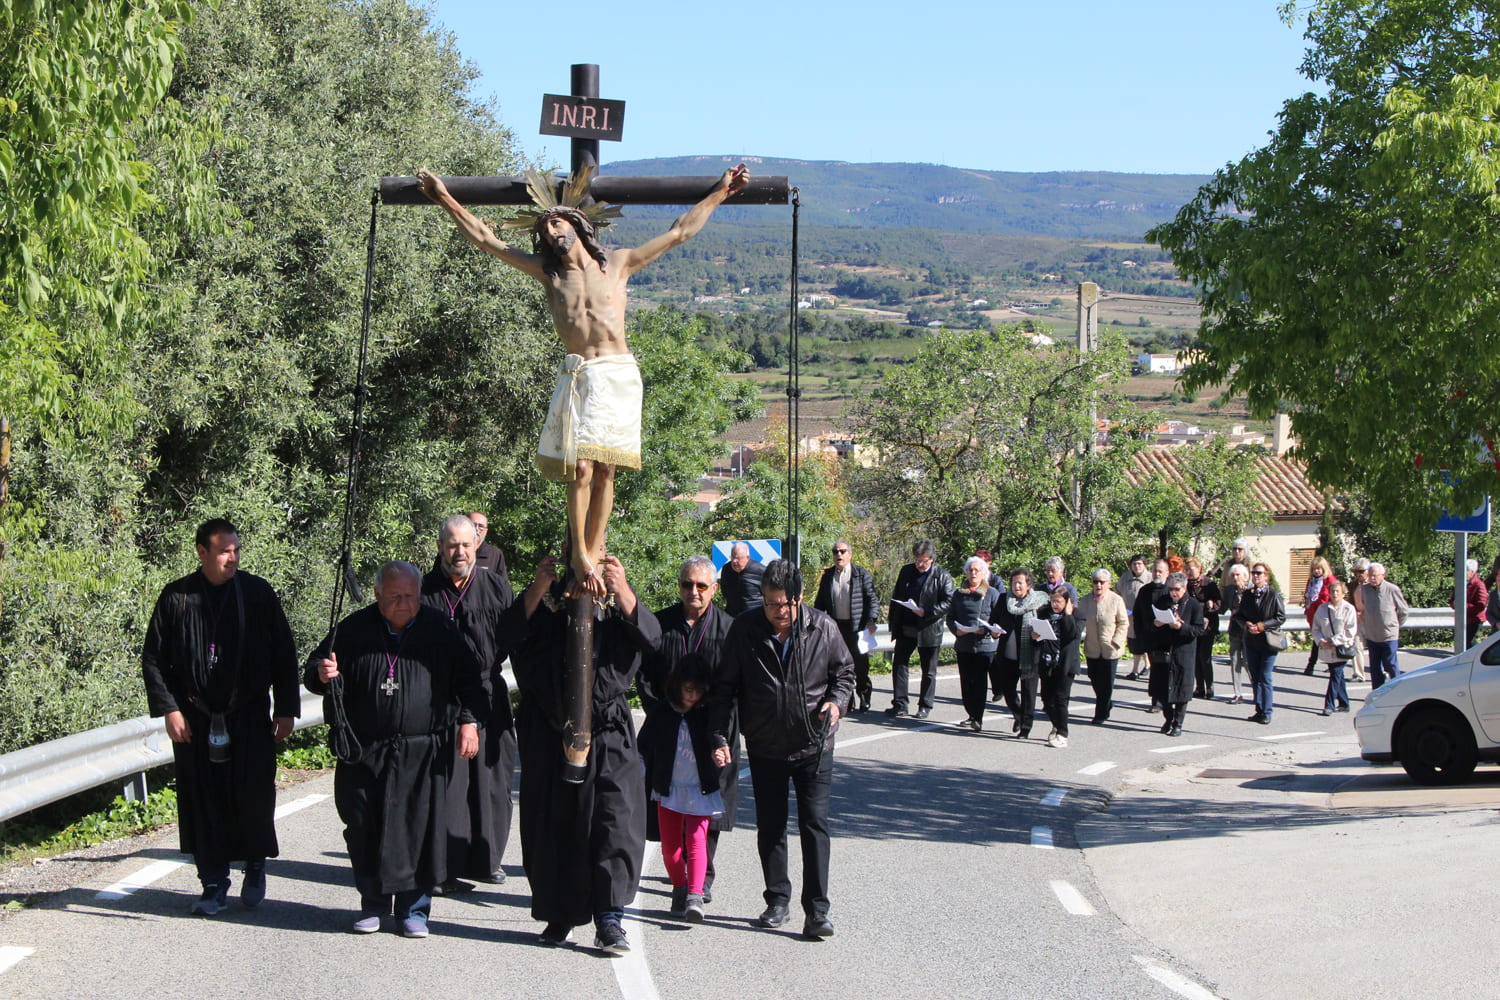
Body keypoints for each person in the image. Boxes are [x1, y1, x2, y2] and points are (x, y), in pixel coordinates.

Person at [419, 164, 749, 594]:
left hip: (619, 373)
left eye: (557, 221)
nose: (551, 229)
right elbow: (486, 239)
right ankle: (578, 552)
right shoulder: (549, 274)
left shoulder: (618, 264)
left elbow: (679, 232)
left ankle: (593, 551)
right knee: (581, 468)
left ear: (577, 224)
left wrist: (720, 192)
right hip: (583, 373)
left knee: (607, 471)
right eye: (545, 226)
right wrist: (444, 197)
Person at [304, 561, 487, 938]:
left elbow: (471, 679)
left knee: (418, 831)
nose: (404, 603)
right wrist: (322, 673)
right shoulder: (353, 630)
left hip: (422, 751)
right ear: (376, 595)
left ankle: (413, 911)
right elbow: (315, 670)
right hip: (365, 749)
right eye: (395, 597)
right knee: (363, 826)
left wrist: (470, 721)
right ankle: (372, 904)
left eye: (411, 596)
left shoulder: (440, 629)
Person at [141, 518, 300, 915]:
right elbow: (153, 659)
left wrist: (285, 708)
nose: (233, 558)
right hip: (194, 718)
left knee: (253, 796)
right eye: (224, 551)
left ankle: (255, 864)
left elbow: (284, 651)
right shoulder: (177, 596)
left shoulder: (256, 592)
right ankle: (212, 883)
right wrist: (169, 709)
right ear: (202, 553)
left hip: (247, 714)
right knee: (204, 801)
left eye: (236, 550)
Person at [509, 550, 661, 954]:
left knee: (615, 820)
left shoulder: (613, 605)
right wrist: (540, 585)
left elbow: (653, 639)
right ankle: (561, 914)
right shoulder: (550, 602)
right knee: (555, 825)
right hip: (551, 731)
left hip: (608, 731)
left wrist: (622, 588)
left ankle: (609, 918)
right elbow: (507, 633)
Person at [710, 559, 854, 940]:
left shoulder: (823, 627)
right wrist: (720, 736)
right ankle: (777, 900)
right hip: (766, 745)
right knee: (771, 826)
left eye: (786, 605)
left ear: (800, 598)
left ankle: (818, 910)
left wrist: (836, 703)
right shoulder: (745, 630)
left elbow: (845, 675)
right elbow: (725, 688)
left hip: (814, 744)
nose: (779, 613)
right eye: (771, 604)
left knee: (814, 825)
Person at [419, 514, 520, 892]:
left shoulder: (496, 588)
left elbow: (515, 644)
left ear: (477, 544)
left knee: (492, 782)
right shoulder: (423, 590)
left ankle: (487, 860)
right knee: (446, 786)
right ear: (440, 547)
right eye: (451, 545)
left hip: (489, 696)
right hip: (437, 700)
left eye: (465, 544)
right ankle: (442, 866)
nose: (459, 552)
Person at [645, 554, 737, 904]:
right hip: (669, 727)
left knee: (707, 806)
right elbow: (645, 673)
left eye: (702, 585)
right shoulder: (660, 624)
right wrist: (662, 710)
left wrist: (718, 723)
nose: (694, 591)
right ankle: (681, 877)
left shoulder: (728, 630)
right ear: (679, 586)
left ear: (714, 588)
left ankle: (703, 877)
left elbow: (735, 682)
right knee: (670, 803)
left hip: (713, 729)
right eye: (687, 584)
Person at [638, 654, 724, 924]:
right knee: (671, 847)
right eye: (689, 690)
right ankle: (680, 885)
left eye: (699, 691)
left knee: (697, 842)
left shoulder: (707, 712)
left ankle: (695, 896)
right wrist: (638, 776)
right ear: (677, 686)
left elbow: (719, 737)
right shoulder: (663, 711)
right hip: (668, 788)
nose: (693, 696)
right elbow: (643, 746)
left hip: (700, 788)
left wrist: (720, 750)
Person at [885, 539, 955, 719]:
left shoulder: (942, 576)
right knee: (899, 664)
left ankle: (925, 705)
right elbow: (897, 595)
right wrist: (893, 620)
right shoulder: (906, 571)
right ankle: (900, 704)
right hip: (906, 626)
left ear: (931, 559)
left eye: (923, 561)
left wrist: (928, 612)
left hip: (928, 628)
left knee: (928, 671)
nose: (919, 564)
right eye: (917, 560)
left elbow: (948, 602)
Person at [813, 540, 879, 713]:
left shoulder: (860, 574)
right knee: (839, 666)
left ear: (850, 554)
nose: (838, 555)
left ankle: (864, 697)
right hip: (836, 627)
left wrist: (872, 619)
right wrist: (815, 622)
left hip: (857, 628)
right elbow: (820, 602)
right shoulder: (828, 576)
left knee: (861, 666)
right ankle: (846, 700)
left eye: (842, 551)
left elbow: (872, 598)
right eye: (835, 552)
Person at [946, 556, 1003, 731]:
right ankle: (970, 714)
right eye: (970, 570)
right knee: (966, 683)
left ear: (984, 573)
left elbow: (998, 619)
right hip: (964, 644)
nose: (973, 573)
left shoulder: (992, 593)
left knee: (979, 683)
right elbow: (950, 618)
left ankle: (978, 717)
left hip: (985, 645)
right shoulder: (958, 594)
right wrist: (957, 630)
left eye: (976, 570)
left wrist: (985, 630)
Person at [993, 569, 1049, 739]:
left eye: (1020, 583)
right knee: (1007, 689)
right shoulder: (1004, 600)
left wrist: (1039, 635)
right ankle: (1018, 714)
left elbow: (1046, 627)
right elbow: (993, 619)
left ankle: (1026, 726)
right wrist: (994, 630)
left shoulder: (1039, 602)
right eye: (1014, 582)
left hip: (1030, 655)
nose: (1016, 586)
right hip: (1008, 655)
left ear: (1028, 584)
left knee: (1029, 692)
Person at [1153, 572, 1205, 737]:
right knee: (1163, 689)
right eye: (1171, 589)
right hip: (1165, 650)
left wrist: (1181, 627)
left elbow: (1199, 629)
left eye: (1177, 589)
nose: (1173, 593)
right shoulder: (1163, 602)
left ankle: (1178, 723)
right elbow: (1151, 622)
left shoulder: (1193, 605)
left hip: (1184, 652)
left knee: (1182, 690)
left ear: (1184, 588)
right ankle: (1168, 719)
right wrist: (1157, 623)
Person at [1233, 561, 1286, 724]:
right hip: (1251, 641)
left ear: (1266, 576)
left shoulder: (1273, 595)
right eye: (1254, 573)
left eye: (1259, 573)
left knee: (1265, 676)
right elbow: (1239, 615)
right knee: (1255, 676)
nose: (1256, 576)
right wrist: (1247, 624)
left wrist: (1262, 626)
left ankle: (1267, 711)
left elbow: (1280, 617)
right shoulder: (1249, 594)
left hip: (1268, 641)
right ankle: (1259, 709)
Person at [1078, 568, 1128, 724]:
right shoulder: (1085, 600)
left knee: (1106, 683)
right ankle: (1106, 703)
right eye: (1096, 582)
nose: (1098, 585)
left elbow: (1123, 622)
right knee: (1094, 679)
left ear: (1109, 584)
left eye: (1102, 582)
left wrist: (1116, 641)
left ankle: (1100, 713)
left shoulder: (1116, 600)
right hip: (1092, 648)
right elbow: (1079, 621)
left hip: (1110, 649)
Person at [1034, 587, 1081, 748]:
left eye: (1059, 601)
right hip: (1047, 661)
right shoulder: (1044, 613)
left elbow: (1073, 634)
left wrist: (1067, 614)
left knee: (1061, 699)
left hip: (1065, 663)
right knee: (1047, 699)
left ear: (1067, 602)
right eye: (1052, 600)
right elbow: (1038, 637)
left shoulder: (1076, 615)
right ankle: (1056, 724)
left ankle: (1062, 733)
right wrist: (1036, 636)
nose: (1054, 604)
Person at [1359, 562, 1409, 689]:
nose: (1372, 578)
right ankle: (1377, 692)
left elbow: (1403, 611)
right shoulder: (1364, 589)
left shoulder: (1392, 589)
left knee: (1391, 665)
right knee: (1375, 668)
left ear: (1383, 575)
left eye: (1375, 575)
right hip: (1372, 635)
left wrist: (1394, 626)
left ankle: (1398, 690)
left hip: (1388, 636)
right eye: (1370, 575)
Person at [1312, 579, 1356, 715]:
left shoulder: (1349, 609)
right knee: (1338, 676)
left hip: (1341, 649)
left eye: (1338, 591)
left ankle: (1329, 705)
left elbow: (1350, 631)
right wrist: (1320, 641)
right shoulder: (1322, 609)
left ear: (1343, 593)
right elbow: (1316, 629)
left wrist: (1333, 641)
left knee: (1335, 675)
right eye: (1332, 591)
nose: (1335, 594)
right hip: (1327, 650)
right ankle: (1344, 703)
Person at [1134, 558, 1172, 713]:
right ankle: (1156, 701)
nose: (1157, 573)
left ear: (1167, 573)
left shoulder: (1171, 590)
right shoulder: (1145, 591)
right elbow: (1137, 615)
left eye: (1160, 571)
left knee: (1168, 670)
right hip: (1150, 637)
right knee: (1155, 669)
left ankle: (1168, 699)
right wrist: (1139, 635)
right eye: (1155, 570)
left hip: (1168, 638)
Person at [1185, 557, 1222, 699]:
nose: (1189, 572)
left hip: (1208, 626)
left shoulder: (1209, 584)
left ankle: (1209, 686)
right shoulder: (1186, 585)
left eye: (1191, 569)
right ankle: (1199, 687)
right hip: (1193, 625)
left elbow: (1218, 604)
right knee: (1195, 657)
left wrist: (1208, 608)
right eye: (1187, 569)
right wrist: (1204, 605)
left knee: (1204, 657)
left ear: (1199, 569)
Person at [1117, 554, 1152, 681]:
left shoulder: (1150, 578)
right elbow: (1118, 593)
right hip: (1128, 615)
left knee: (1142, 642)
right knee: (1134, 642)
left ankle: (1135, 670)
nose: (1137, 566)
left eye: (1139, 564)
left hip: (1145, 616)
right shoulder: (1125, 578)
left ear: (1144, 565)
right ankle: (1146, 665)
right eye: (1134, 564)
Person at [1222, 563, 1252, 703]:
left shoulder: (1251, 590)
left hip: (1248, 630)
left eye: (1237, 575)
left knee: (1247, 661)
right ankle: (1237, 693)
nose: (1235, 578)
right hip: (1234, 629)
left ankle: (1257, 689)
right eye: (1232, 575)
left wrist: (1240, 612)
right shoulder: (1229, 590)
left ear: (1245, 576)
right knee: (1234, 660)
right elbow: (1222, 606)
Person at [1302, 556, 1335, 675]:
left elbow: (1334, 596)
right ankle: (1312, 665)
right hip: (1313, 615)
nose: (1317, 571)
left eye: (1319, 569)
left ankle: (1316, 665)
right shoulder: (1311, 581)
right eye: (1315, 569)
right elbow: (1307, 597)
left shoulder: (1329, 580)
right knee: (1317, 640)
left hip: (1326, 615)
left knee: (1324, 641)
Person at [720, 541, 766, 617]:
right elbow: (724, 591)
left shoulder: (760, 571)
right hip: (732, 617)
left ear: (747, 557)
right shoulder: (726, 569)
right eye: (732, 557)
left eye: (738, 558)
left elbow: (768, 593)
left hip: (755, 617)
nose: (734, 561)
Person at [467, 511, 510, 585]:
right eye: (473, 525)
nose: (476, 529)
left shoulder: (495, 554)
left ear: (486, 531)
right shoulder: (454, 550)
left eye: (481, 526)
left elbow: (503, 585)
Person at [1346, 559, 1370, 682]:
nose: (1359, 574)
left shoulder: (1373, 584)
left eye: (1361, 571)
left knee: (1376, 648)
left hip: (1372, 620)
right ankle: (1358, 674)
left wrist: (1365, 613)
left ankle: (1383, 672)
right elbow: (1350, 601)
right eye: (1356, 572)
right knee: (1356, 645)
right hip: (1358, 619)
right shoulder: (1354, 585)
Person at [1458, 558, 1489, 649]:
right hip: (1463, 619)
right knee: (1464, 642)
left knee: (1470, 642)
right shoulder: (1461, 583)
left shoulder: (1479, 585)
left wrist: (1463, 606)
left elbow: (1481, 605)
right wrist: (1455, 604)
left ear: (1472, 572)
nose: (1463, 572)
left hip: (1475, 620)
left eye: (1466, 570)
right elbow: (1453, 599)